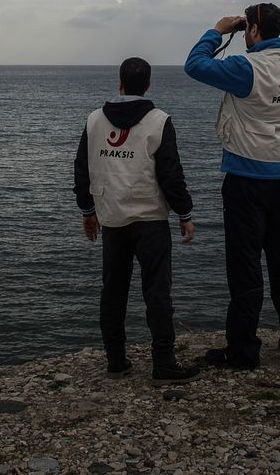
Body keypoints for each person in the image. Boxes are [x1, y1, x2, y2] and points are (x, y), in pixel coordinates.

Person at [183, 3, 280, 369]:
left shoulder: (247, 68)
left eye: (246, 28)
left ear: (253, 29)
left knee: (245, 267)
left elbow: (195, 65)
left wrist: (217, 30)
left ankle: (242, 350)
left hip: (246, 179)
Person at [73, 56, 202, 383]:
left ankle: (116, 360)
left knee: (113, 292)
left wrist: (88, 212)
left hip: (112, 218)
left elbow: (82, 170)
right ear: (147, 85)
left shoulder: (94, 121)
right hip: (150, 219)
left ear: (119, 83)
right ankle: (163, 363)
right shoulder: (159, 121)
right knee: (157, 293)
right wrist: (185, 213)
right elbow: (171, 174)